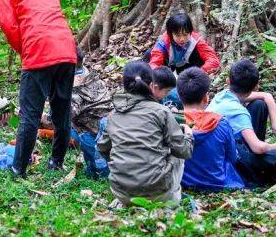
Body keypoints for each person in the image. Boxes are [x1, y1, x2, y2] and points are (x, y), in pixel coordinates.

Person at [0, 0, 78, 177]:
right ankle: (57, 162)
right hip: (66, 50)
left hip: (38, 51)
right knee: (62, 110)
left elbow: (9, 26)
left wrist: (27, 52)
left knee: (30, 115)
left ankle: (18, 168)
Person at [207, 59, 276, 187]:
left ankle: (263, 161)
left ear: (228, 81)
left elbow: (266, 96)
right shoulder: (239, 112)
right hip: (231, 164)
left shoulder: (221, 95)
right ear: (255, 87)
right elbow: (258, 147)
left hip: (224, 151)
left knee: (259, 104)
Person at [98, 60, 193, 206]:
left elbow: (103, 148)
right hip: (158, 192)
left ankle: (126, 200)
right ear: (151, 85)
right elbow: (183, 151)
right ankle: (172, 199)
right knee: (177, 151)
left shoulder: (113, 115)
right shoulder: (161, 111)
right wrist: (188, 135)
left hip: (121, 192)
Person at [176, 67, 244, 192]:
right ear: (206, 98)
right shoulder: (221, 123)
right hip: (218, 183)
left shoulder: (172, 123)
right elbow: (233, 157)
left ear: (180, 97)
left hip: (184, 183)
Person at [69, 48, 113, 179]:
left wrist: (40, 118)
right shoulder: (93, 77)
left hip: (91, 132)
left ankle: (95, 171)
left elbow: (66, 116)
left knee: (68, 129)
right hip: (112, 127)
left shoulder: (74, 88)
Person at [146, 12, 221, 75]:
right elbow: (154, 63)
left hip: (190, 68)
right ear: (170, 34)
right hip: (167, 69)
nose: (182, 39)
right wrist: (163, 77)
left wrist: (199, 72)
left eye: (185, 34)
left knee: (198, 53)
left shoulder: (196, 39)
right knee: (149, 54)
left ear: (190, 32)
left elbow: (213, 60)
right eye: (178, 35)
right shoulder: (163, 41)